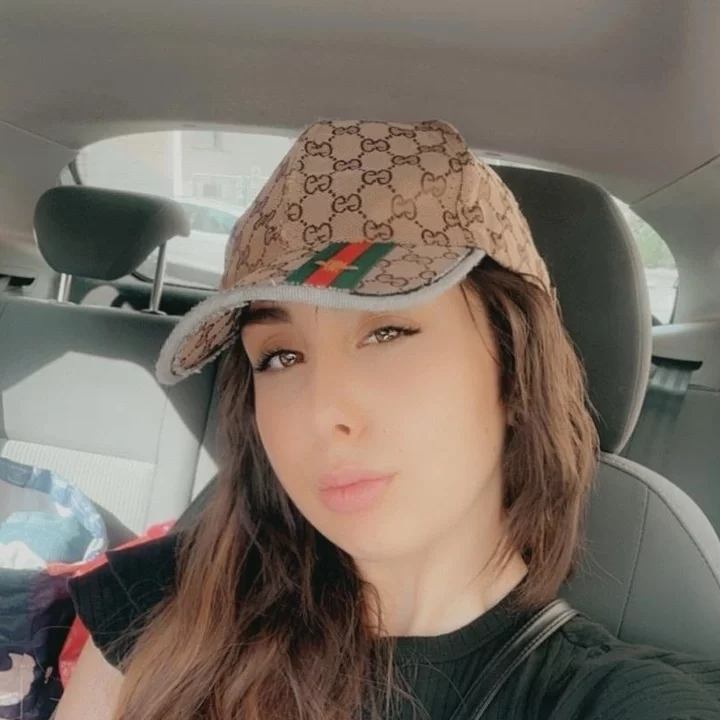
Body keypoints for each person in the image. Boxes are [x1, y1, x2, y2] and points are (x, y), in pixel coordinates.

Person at [55, 120, 720, 720]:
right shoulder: (173, 599)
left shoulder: (613, 698)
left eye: (387, 333)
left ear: (516, 371)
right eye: (281, 356)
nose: (323, 414)